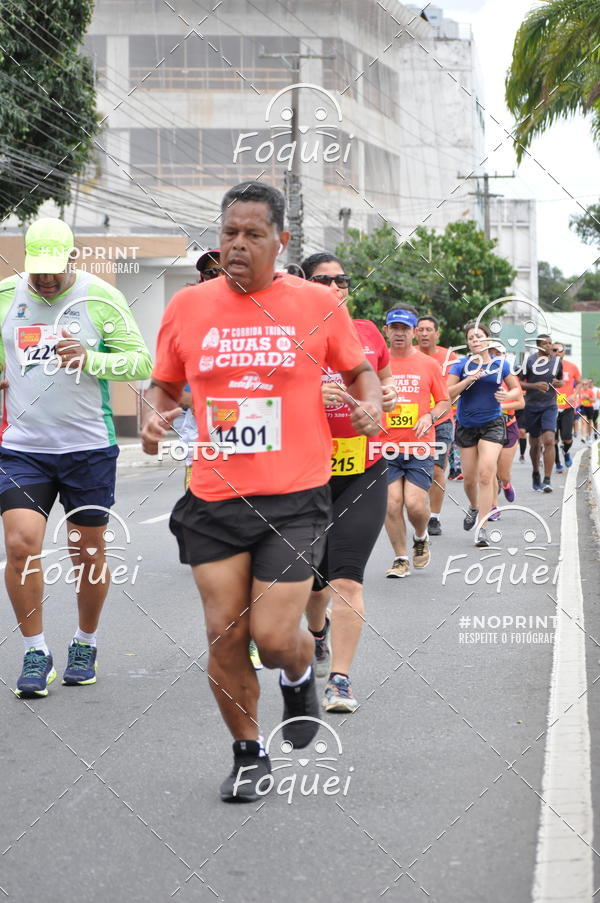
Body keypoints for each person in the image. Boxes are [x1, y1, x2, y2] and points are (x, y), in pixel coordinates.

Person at [141, 181, 382, 802]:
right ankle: (248, 753)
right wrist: (154, 413)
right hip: (214, 497)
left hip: (294, 497)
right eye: (229, 234)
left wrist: (370, 404)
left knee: (274, 639)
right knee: (225, 634)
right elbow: (164, 383)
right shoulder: (188, 306)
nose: (238, 245)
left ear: (282, 240)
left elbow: (359, 369)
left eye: (253, 234)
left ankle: (298, 674)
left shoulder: (316, 303)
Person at [0, 217, 152, 697]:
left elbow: (141, 362)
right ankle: (35, 650)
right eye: (37, 269)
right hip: (24, 448)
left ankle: (85, 642)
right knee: (20, 545)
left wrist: (91, 359)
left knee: (87, 553)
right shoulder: (6, 297)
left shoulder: (100, 297)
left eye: (54, 269)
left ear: (72, 258)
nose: (45, 279)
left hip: (88, 447)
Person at [300, 252, 395, 713]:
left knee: (347, 580)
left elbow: (385, 383)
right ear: (305, 285)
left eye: (343, 280)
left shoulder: (368, 333)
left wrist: (384, 397)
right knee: (313, 584)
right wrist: (306, 396)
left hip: (364, 469)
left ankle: (340, 680)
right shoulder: (288, 336)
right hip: (306, 474)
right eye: (324, 280)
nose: (337, 287)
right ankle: (317, 634)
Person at [383, 309, 450, 578]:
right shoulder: (376, 364)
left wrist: (429, 415)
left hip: (419, 446)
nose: (400, 333)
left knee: (414, 504)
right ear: (386, 330)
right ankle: (400, 558)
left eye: (405, 328)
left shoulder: (428, 364)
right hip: (385, 446)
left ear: (412, 332)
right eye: (394, 328)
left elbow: (444, 402)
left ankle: (421, 536)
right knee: (391, 504)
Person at [448, 322, 521, 547]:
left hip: (492, 423)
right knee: (470, 479)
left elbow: (516, 389)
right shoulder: (460, 365)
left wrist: (507, 396)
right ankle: (473, 506)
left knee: (486, 474)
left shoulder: (501, 364)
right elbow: (447, 393)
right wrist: (468, 379)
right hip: (466, 424)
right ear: (467, 343)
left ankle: (482, 528)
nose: (475, 340)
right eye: (471, 337)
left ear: (488, 340)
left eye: (479, 336)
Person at [415, 315, 458, 536]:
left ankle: (434, 517)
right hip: (412, 423)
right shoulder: (407, 355)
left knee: (437, 469)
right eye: (420, 329)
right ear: (415, 333)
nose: (424, 333)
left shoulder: (449, 358)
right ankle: (418, 508)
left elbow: (451, 390)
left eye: (428, 330)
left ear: (437, 334)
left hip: (441, 420)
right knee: (416, 470)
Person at [519, 334, 563, 491]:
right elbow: (518, 383)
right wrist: (535, 386)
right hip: (531, 406)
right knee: (535, 443)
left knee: (549, 440)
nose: (549, 346)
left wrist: (559, 383)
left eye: (550, 343)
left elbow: (560, 380)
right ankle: (536, 472)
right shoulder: (529, 361)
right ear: (538, 346)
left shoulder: (557, 361)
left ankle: (547, 480)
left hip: (549, 405)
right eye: (545, 344)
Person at [487, 342, 524, 519]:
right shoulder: (480, 375)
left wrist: (500, 407)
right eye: (490, 353)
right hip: (487, 428)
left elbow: (521, 403)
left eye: (497, 353)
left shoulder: (509, 377)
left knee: (502, 474)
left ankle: (506, 484)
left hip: (508, 427)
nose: (494, 356)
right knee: (489, 470)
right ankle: (494, 507)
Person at [551, 341, 580, 472]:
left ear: (564, 352)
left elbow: (579, 382)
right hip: (551, 407)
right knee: (553, 439)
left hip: (567, 406)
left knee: (567, 437)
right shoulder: (545, 367)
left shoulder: (572, 367)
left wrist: (575, 394)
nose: (557, 353)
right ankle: (557, 463)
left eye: (560, 350)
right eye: (554, 350)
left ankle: (566, 451)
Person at [577, 378, 597, 443]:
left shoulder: (590, 391)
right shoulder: (580, 391)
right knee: (583, 422)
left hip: (590, 408)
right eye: (583, 384)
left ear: (588, 385)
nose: (584, 385)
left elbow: (594, 400)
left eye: (585, 384)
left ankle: (589, 436)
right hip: (583, 407)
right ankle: (583, 437)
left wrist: (588, 398)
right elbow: (578, 400)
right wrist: (576, 407)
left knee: (589, 423)